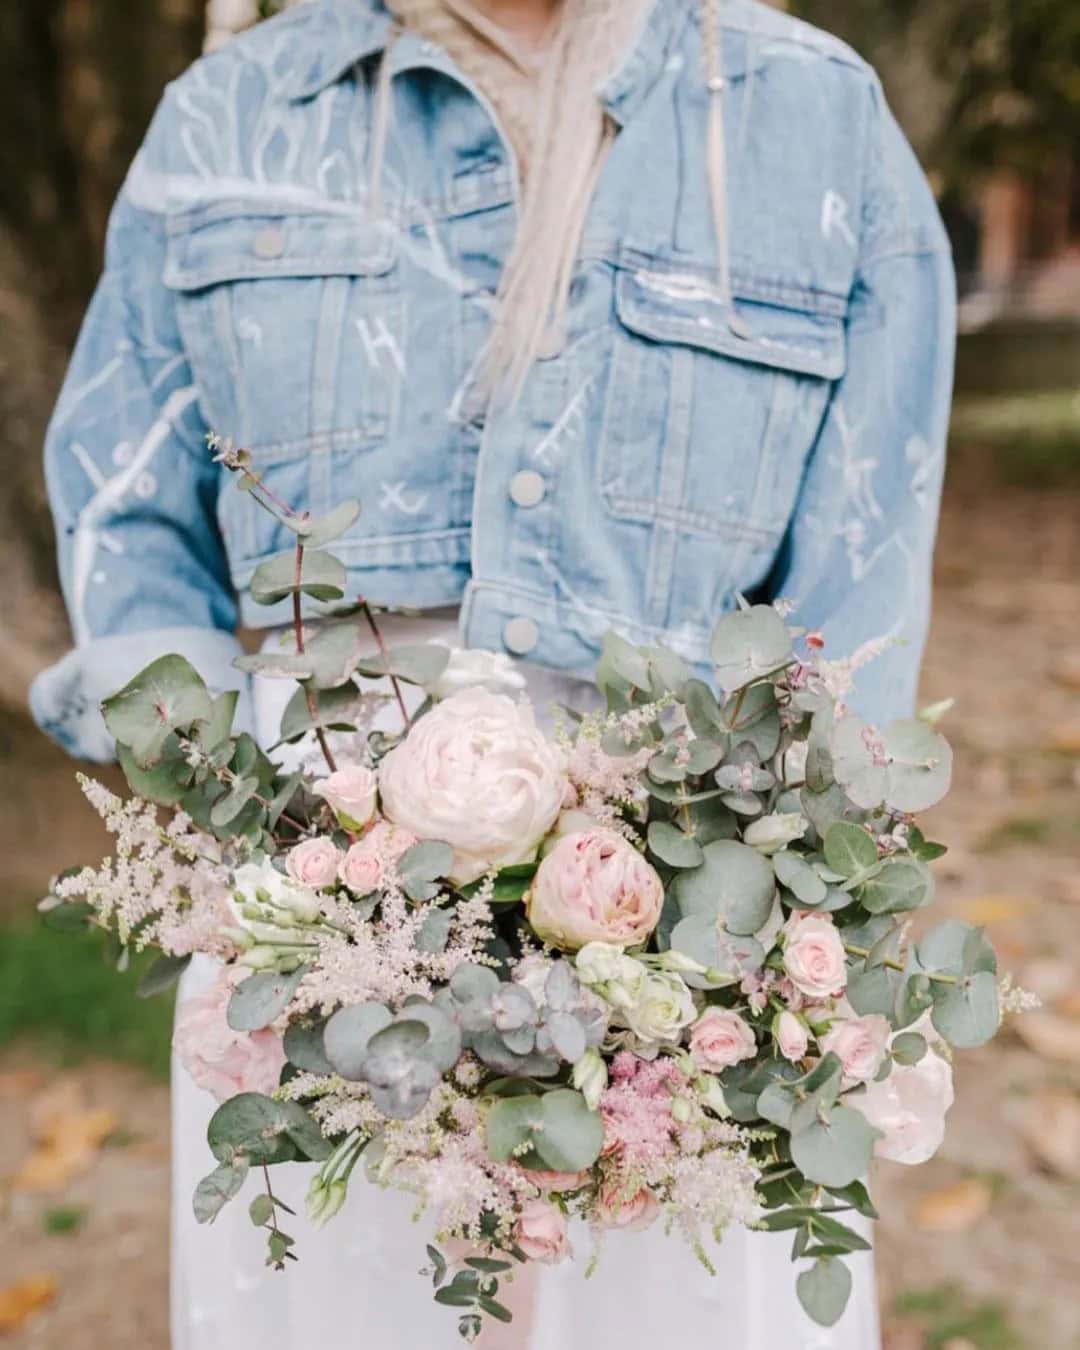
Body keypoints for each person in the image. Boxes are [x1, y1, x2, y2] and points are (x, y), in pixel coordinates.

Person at [31, 0, 956, 1345]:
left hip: (703, 917)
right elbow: (125, 520)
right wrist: (254, 839)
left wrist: (777, 932)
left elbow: (863, 588)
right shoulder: (229, 119)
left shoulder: (814, 115)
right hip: (319, 921)